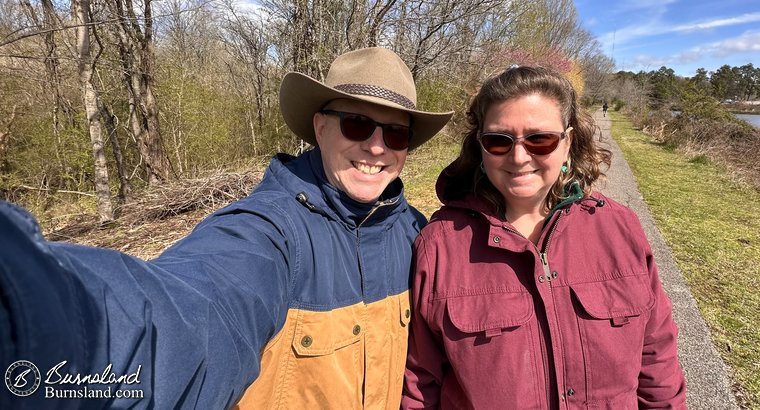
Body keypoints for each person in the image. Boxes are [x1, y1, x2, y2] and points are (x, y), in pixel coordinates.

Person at [0, 47, 452, 409]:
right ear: (319, 127)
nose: (376, 148)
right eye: (357, 124)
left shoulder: (415, 233)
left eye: (396, 134)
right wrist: (36, 311)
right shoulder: (269, 232)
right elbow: (183, 318)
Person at [402, 66, 686, 409]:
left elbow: (656, 360)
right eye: (498, 141)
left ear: (567, 143)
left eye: (540, 139)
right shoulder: (440, 246)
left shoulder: (620, 229)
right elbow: (418, 385)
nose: (519, 157)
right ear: (480, 149)